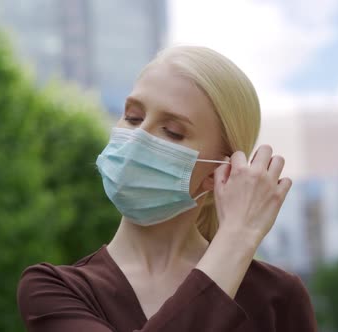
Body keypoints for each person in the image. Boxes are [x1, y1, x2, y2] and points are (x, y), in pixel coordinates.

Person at [17, 46, 317, 332]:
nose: (137, 138)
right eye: (132, 117)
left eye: (173, 132)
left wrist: (237, 239)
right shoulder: (54, 289)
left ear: (219, 172)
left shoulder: (278, 298)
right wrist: (236, 241)